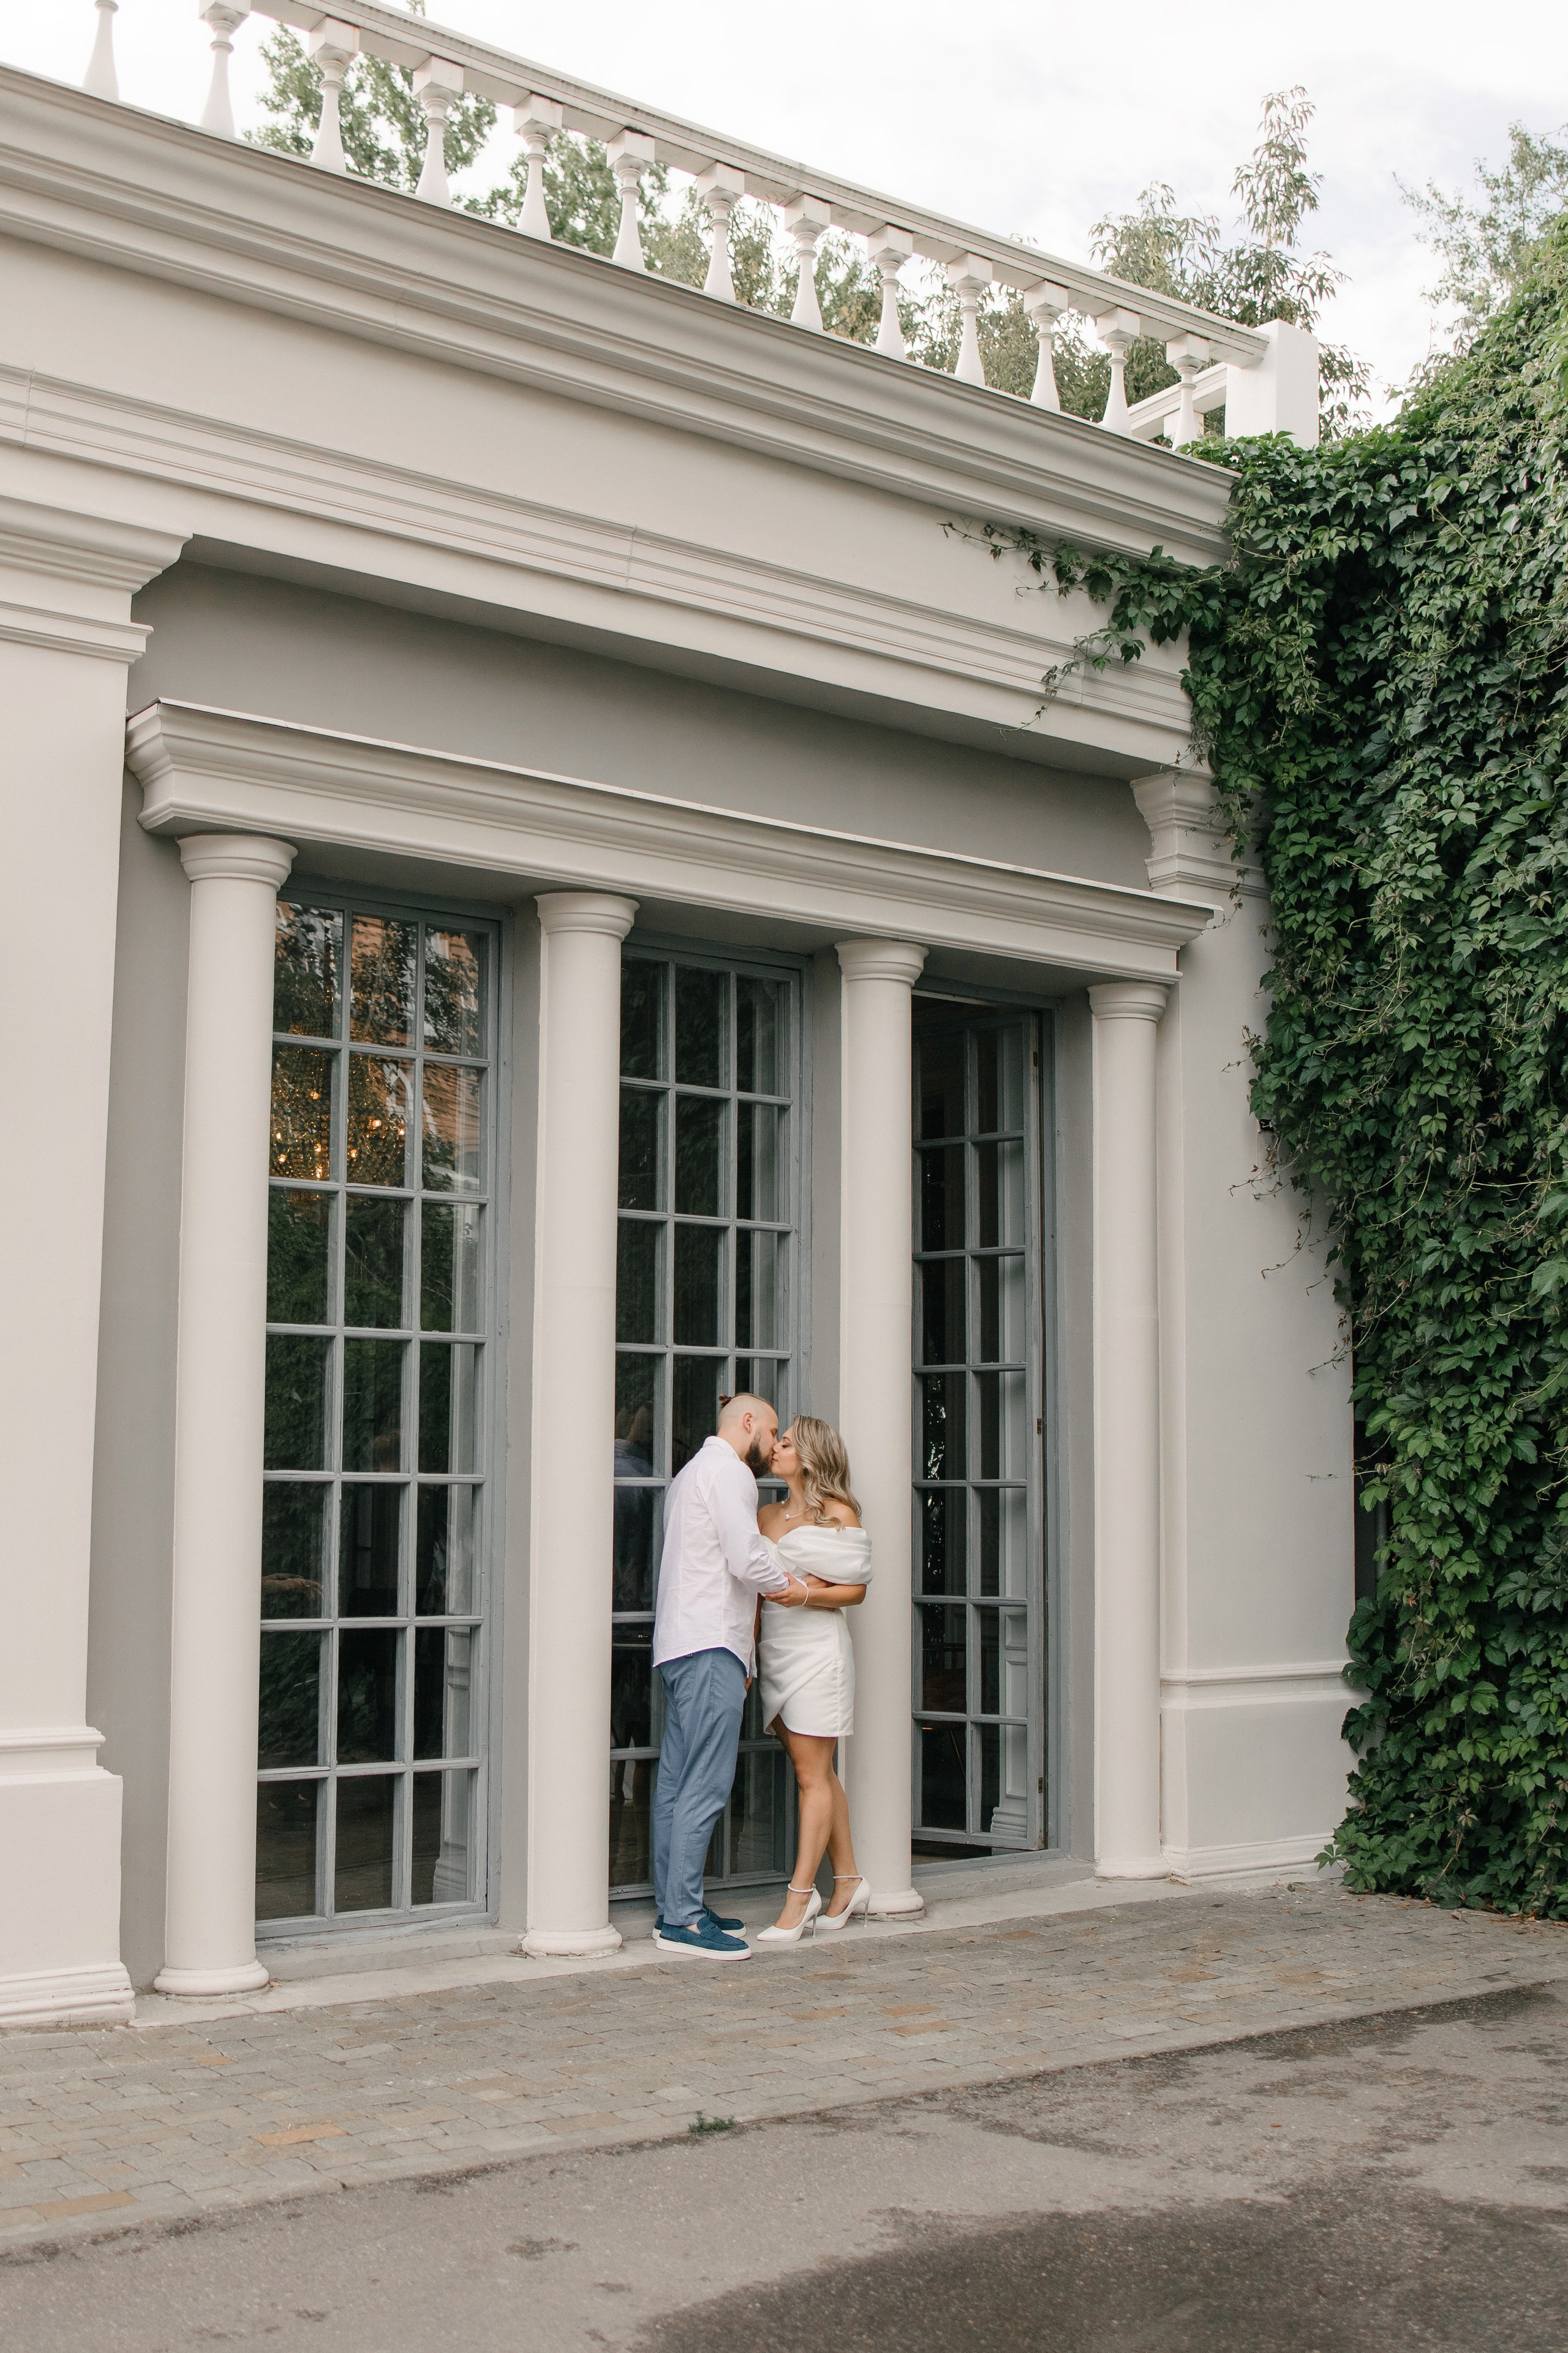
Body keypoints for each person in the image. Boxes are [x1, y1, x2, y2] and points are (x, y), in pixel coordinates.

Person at [650, 1393, 809, 1960]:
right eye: (770, 1432)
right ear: (748, 1423)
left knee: (675, 1782)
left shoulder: (690, 1473)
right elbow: (746, 1558)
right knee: (706, 1782)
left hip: (678, 1643)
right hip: (711, 1643)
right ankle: (685, 1921)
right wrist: (792, 1583)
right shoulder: (731, 1473)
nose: (772, 1445)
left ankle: (675, 1905)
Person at [754, 1417, 873, 1944]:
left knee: (812, 1776)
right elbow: (756, 1589)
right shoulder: (764, 1514)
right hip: (775, 1651)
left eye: (784, 1443)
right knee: (818, 1772)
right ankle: (849, 1881)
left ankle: (801, 1898)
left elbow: (856, 1591)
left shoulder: (838, 1515)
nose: (775, 1449)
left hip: (819, 1654)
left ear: (807, 1456)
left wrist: (805, 1593)